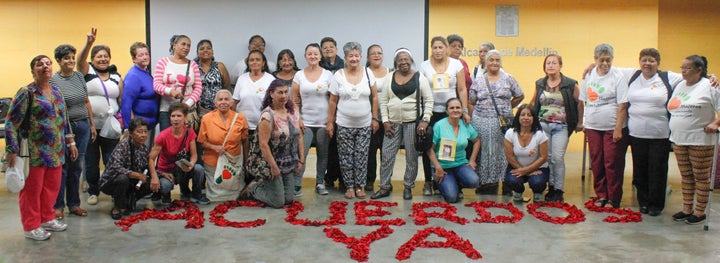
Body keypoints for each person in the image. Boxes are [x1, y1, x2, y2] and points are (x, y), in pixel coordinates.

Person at [5, 55, 77, 240]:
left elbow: (64, 118)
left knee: (51, 188)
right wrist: (11, 149)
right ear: (33, 70)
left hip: (56, 151)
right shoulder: (26, 92)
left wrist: (71, 142)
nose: (45, 66)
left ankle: (47, 218)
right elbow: (11, 123)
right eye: (40, 64)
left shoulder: (56, 91)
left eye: (48, 63)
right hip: (34, 151)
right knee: (32, 190)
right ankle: (31, 226)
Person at [618, 48, 683, 216]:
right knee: (640, 170)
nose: (647, 63)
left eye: (652, 60)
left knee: (657, 170)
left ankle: (656, 205)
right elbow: (607, 67)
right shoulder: (632, 75)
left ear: (658, 63)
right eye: (644, 60)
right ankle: (644, 202)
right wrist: (590, 66)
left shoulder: (667, 77)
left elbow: (692, 75)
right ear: (639, 62)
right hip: (636, 134)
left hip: (659, 135)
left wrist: (711, 77)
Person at [372, 48, 433, 200]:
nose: (403, 62)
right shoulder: (389, 77)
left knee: (411, 157)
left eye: (406, 59)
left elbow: (428, 100)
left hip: (413, 123)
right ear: (396, 63)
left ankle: (408, 187)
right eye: (400, 60)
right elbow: (384, 100)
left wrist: (425, 120)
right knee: (387, 155)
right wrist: (385, 121)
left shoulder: (419, 77)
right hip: (392, 124)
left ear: (411, 60)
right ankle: (384, 187)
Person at [669, 55, 719, 224]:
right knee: (686, 176)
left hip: (700, 139)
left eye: (687, 68)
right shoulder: (680, 85)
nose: (683, 71)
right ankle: (687, 208)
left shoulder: (711, 86)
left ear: (699, 70)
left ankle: (699, 212)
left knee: (700, 177)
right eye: (682, 67)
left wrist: (716, 123)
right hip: (679, 139)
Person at [579, 43, 630, 208]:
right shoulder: (589, 75)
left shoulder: (618, 76)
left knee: (612, 162)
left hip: (612, 127)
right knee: (597, 161)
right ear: (595, 59)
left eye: (608, 60)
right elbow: (583, 101)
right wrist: (583, 122)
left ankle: (613, 198)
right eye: (601, 60)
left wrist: (618, 128)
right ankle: (601, 195)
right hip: (593, 126)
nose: (605, 64)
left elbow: (623, 105)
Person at [326, 42, 379, 199]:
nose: (354, 58)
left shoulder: (369, 73)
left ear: (361, 57)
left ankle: (360, 186)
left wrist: (375, 118)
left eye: (356, 56)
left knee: (362, 156)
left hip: (364, 123)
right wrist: (330, 122)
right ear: (345, 58)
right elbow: (333, 101)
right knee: (346, 156)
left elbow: (375, 97)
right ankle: (349, 186)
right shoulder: (338, 75)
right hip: (344, 123)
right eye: (351, 56)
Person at [77, 28, 123, 206]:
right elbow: (80, 60)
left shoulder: (116, 76)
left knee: (111, 159)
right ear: (93, 59)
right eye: (99, 56)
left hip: (110, 126)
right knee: (91, 161)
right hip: (91, 126)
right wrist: (89, 43)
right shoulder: (87, 72)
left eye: (106, 56)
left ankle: (111, 188)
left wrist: (123, 122)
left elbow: (121, 99)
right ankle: (93, 191)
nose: (103, 59)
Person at [419, 36, 470, 196]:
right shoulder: (424, 66)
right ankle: (429, 182)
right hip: (431, 111)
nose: (438, 50)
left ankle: (454, 182)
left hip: (452, 111)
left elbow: (462, 89)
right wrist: (423, 117)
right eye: (435, 47)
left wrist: (465, 110)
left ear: (446, 48)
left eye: (441, 47)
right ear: (431, 49)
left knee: (452, 145)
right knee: (429, 146)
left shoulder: (456, 65)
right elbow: (420, 92)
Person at [469, 50, 525, 195]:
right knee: (484, 152)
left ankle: (507, 183)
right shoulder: (479, 80)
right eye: (491, 60)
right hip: (481, 121)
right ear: (485, 63)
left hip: (504, 122)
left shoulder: (509, 78)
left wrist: (507, 108)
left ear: (501, 63)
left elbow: (520, 95)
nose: (494, 63)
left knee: (504, 151)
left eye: (497, 60)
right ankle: (486, 184)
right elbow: (472, 100)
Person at [242, 79, 304, 208]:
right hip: (271, 162)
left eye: (286, 92)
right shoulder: (267, 116)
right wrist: (274, 167)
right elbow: (263, 145)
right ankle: (254, 188)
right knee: (278, 203)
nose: (284, 96)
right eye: (280, 92)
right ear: (271, 94)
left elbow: (299, 137)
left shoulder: (292, 112)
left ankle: (269, 186)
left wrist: (301, 160)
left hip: (289, 161)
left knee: (288, 199)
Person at [530, 54, 582, 202]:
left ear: (560, 66)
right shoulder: (540, 83)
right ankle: (551, 188)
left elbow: (579, 103)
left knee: (557, 158)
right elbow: (534, 102)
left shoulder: (570, 84)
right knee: (548, 158)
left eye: (554, 63)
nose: (550, 65)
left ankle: (559, 189)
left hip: (561, 126)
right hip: (543, 125)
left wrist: (579, 122)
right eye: (548, 63)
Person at [51, 41, 94, 219]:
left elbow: (86, 101)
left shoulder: (78, 76)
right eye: (66, 58)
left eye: (72, 58)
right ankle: (58, 206)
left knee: (77, 166)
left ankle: (74, 204)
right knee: (63, 167)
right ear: (59, 61)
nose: (71, 61)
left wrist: (91, 124)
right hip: (63, 128)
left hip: (83, 125)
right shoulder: (53, 80)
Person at [292, 43, 334, 195]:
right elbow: (295, 99)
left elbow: (333, 99)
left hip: (323, 123)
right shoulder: (299, 75)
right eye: (309, 54)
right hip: (305, 122)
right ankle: (297, 184)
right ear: (305, 56)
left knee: (323, 154)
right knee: (301, 153)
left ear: (320, 56)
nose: (313, 56)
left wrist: (330, 121)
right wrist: (298, 118)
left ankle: (320, 182)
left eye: (316, 54)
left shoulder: (328, 75)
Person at [148, 103, 209, 205]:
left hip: (182, 168)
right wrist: (155, 176)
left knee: (199, 168)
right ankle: (163, 193)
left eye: (179, 116)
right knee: (165, 186)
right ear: (169, 118)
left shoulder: (189, 132)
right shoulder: (163, 136)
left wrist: (191, 165)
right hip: (166, 170)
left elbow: (194, 155)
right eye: (173, 116)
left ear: (185, 117)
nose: (175, 119)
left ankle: (196, 194)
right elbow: (151, 159)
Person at [198, 90, 249, 201]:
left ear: (231, 103)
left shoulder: (240, 118)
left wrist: (246, 160)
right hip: (213, 161)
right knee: (217, 196)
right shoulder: (206, 119)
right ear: (215, 103)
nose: (223, 102)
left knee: (235, 194)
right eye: (220, 100)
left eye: (226, 99)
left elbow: (245, 141)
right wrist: (214, 147)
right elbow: (201, 142)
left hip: (234, 161)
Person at [426, 98, 480, 203]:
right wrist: (438, 167)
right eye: (452, 108)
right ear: (447, 111)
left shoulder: (465, 124)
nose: (455, 110)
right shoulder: (439, 126)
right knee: (452, 198)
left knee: (474, 181)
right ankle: (439, 183)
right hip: (442, 167)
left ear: (462, 110)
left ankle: (456, 183)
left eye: (458, 107)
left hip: (460, 164)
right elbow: (429, 149)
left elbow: (477, 140)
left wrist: (472, 160)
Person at [99, 118, 152, 219]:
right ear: (131, 134)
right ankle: (117, 207)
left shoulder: (144, 148)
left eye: (145, 132)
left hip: (132, 181)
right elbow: (116, 167)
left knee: (152, 182)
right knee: (122, 179)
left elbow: (146, 167)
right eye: (139, 132)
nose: (143, 135)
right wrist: (137, 175)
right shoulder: (123, 145)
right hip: (111, 181)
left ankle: (129, 198)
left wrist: (157, 176)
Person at [153, 34, 202, 132]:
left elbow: (198, 88)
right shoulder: (163, 62)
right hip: (167, 111)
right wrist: (170, 91)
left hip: (186, 111)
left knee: (186, 143)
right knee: (167, 142)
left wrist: (187, 105)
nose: (186, 48)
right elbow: (156, 85)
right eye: (183, 44)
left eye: (188, 45)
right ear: (174, 45)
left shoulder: (193, 64)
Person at [503, 105, 549, 203]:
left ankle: (538, 192)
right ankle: (518, 192)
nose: (526, 118)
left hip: (538, 169)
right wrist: (525, 171)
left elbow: (543, 157)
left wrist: (527, 170)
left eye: (529, 115)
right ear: (518, 117)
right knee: (511, 180)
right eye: (522, 115)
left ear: (534, 118)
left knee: (537, 182)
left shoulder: (540, 134)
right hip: (517, 167)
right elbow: (509, 157)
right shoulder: (510, 133)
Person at [319, 36, 345, 191]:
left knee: (341, 146)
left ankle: (343, 178)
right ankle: (329, 177)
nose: (328, 49)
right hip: (326, 112)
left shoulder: (344, 66)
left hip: (343, 111)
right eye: (325, 47)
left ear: (336, 48)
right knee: (328, 147)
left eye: (331, 47)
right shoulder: (318, 67)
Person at [121, 42, 159, 145]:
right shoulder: (134, 76)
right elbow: (126, 104)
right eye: (141, 55)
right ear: (134, 59)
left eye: (146, 54)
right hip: (139, 128)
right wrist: (129, 127)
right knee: (138, 158)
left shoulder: (146, 73)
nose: (145, 57)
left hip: (150, 126)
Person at [365, 44, 390, 192]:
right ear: (368, 57)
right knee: (371, 151)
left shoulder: (390, 72)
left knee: (386, 153)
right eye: (373, 53)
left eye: (379, 53)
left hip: (387, 119)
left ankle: (386, 181)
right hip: (369, 118)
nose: (376, 55)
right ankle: (369, 181)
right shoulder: (364, 73)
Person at [195, 39, 231, 117]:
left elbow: (227, 87)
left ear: (212, 51)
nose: (205, 50)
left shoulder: (220, 66)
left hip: (220, 109)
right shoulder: (193, 67)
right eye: (202, 49)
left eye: (208, 48)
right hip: (200, 110)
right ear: (197, 53)